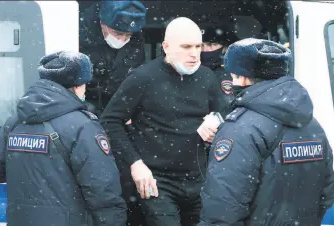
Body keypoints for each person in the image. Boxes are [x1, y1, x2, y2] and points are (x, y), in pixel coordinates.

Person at [100, 17, 228, 226]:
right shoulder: (143, 77)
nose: (195, 53)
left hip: (198, 178)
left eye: (198, 46)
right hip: (155, 179)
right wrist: (135, 163)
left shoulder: (207, 78)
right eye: (186, 46)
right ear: (166, 47)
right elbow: (110, 121)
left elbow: (227, 113)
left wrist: (217, 120)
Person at [198, 38, 334, 226]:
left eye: (233, 76)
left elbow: (222, 210)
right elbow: (326, 196)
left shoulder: (240, 129)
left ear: (243, 78)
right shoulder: (313, 126)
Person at [0, 51, 127, 226]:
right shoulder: (83, 126)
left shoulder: (13, 124)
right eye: (85, 84)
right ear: (77, 85)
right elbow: (102, 189)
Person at [79, 0, 147, 116]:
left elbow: (136, 77)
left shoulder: (135, 38)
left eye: (128, 35)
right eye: (118, 33)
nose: (123, 40)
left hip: (117, 107)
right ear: (102, 23)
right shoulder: (78, 35)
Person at [200, 26, 238, 115]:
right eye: (200, 45)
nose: (205, 50)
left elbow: (227, 109)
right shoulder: (187, 71)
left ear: (224, 48)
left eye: (211, 44)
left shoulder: (232, 74)